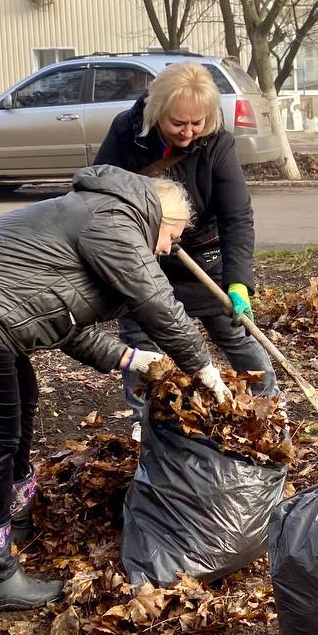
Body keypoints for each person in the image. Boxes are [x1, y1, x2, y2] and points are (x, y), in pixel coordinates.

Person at [0, 165, 234, 612]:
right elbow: (156, 302)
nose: (172, 247)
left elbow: (60, 320)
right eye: (174, 235)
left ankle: (13, 515)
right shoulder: (115, 218)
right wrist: (203, 365)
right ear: (159, 215)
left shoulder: (98, 217)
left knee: (20, 399)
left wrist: (131, 357)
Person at [94, 61, 275, 440]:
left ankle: (269, 401)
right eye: (179, 123)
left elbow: (237, 217)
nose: (189, 133)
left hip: (203, 260)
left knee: (234, 331)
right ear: (157, 111)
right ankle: (147, 419)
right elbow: (101, 194)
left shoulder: (217, 143)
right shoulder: (126, 135)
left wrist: (239, 283)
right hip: (143, 255)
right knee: (141, 338)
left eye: (198, 124)